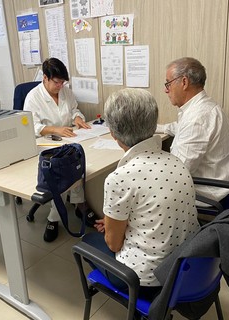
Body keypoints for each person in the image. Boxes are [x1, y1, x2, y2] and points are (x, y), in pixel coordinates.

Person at [82, 88, 199, 300]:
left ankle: (130, 301)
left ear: (113, 133)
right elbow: (152, 211)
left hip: (145, 281)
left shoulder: (120, 178)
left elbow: (113, 244)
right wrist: (114, 222)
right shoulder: (175, 161)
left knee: (87, 241)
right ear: (153, 124)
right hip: (185, 268)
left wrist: (112, 228)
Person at [24, 57, 97, 242]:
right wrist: (55, 129)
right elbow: (32, 127)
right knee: (63, 171)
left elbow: (74, 110)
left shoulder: (66, 92)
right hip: (46, 146)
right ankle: (53, 219)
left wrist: (78, 119)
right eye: (56, 82)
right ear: (45, 78)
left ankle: (80, 205)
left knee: (80, 164)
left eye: (63, 82)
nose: (60, 86)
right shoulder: (33, 97)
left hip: (68, 141)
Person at [158, 57, 229, 202]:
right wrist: (159, 128)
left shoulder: (197, 119)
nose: (165, 90)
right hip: (222, 181)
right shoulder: (203, 106)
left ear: (184, 82)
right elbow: (183, 129)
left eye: (168, 84)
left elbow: (177, 174)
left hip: (208, 192)